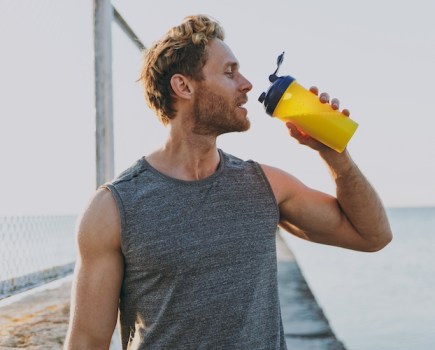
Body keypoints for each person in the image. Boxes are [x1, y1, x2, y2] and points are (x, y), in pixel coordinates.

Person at [64, 14, 392, 350]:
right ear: (184, 86)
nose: (247, 84)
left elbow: (373, 235)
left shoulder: (266, 186)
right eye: (229, 72)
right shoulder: (113, 209)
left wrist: (335, 154)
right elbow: (87, 341)